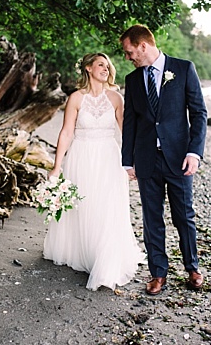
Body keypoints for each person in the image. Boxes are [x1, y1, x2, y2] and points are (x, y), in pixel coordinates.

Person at [43, 52, 145, 291]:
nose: (106, 68)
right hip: (81, 156)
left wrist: (133, 161)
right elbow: (67, 132)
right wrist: (56, 167)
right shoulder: (76, 98)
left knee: (107, 206)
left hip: (110, 157)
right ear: (88, 68)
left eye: (108, 66)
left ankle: (105, 260)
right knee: (85, 206)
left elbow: (125, 133)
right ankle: (85, 252)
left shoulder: (116, 98)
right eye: (100, 65)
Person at [119, 24, 208, 295]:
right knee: (151, 218)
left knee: (184, 216)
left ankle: (192, 268)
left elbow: (199, 113)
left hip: (179, 159)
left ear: (143, 45)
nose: (128, 57)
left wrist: (194, 153)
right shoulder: (133, 80)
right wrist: (127, 161)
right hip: (146, 160)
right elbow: (131, 122)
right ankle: (158, 273)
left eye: (130, 51)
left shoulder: (183, 69)